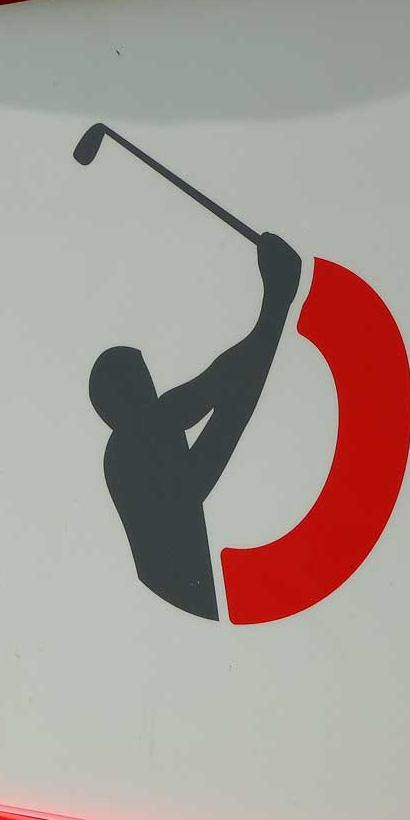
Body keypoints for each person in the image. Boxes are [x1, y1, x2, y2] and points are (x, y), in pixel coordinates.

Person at [88, 232, 301, 620]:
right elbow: (226, 388)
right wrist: (276, 303)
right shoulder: (133, 443)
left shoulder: (136, 439)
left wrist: (277, 303)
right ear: (129, 393)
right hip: (182, 606)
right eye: (143, 381)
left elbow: (226, 388)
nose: (154, 388)